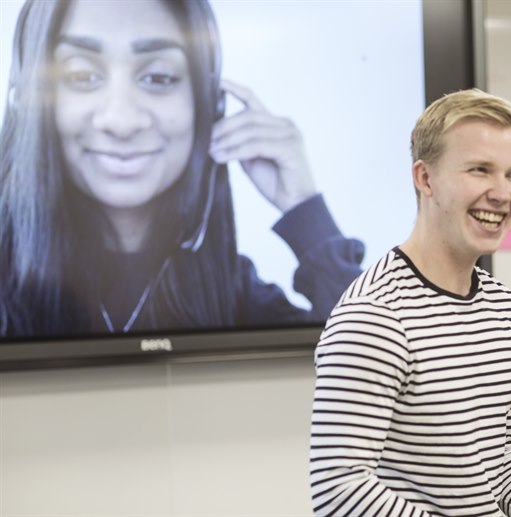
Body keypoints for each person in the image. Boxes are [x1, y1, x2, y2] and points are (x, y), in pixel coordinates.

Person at [0, 0, 364, 336]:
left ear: (208, 106)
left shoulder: (231, 290)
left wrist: (303, 207)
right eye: (82, 77)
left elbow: (369, 352)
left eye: (158, 78)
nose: (121, 121)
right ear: (29, 101)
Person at [309, 89, 511, 517]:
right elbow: (338, 490)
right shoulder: (373, 316)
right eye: (480, 170)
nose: (502, 194)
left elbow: (509, 456)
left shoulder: (505, 310)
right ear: (425, 178)